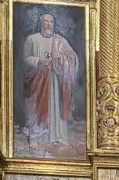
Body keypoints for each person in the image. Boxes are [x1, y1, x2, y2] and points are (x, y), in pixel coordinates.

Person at [22, 12, 80, 147]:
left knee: (56, 107)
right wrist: (38, 61)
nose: (49, 24)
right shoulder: (32, 39)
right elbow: (25, 59)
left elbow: (72, 57)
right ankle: (35, 137)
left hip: (56, 79)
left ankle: (59, 135)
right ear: (40, 23)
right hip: (38, 79)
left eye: (51, 22)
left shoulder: (60, 40)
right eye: (46, 21)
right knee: (37, 108)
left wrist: (62, 58)